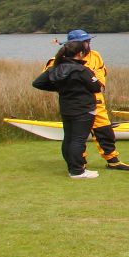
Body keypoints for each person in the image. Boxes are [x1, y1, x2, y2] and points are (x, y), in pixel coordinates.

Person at [48, 30, 129, 171]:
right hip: (77, 103)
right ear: (75, 45)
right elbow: (50, 79)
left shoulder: (95, 56)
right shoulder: (58, 60)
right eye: (85, 41)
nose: (88, 43)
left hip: (97, 100)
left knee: (105, 131)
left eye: (88, 41)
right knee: (76, 137)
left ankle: (113, 161)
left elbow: (100, 74)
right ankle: (78, 165)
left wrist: (96, 83)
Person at [33, 41, 103, 179]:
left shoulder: (55, 68)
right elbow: (97, 87)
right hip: (83, 109)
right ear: (80, 54)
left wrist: (60, 88)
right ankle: (77, 171)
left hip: (67, 108)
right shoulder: (82, 70)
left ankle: (72, 168)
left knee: (69, 138)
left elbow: (38, 83)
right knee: (78, 140)